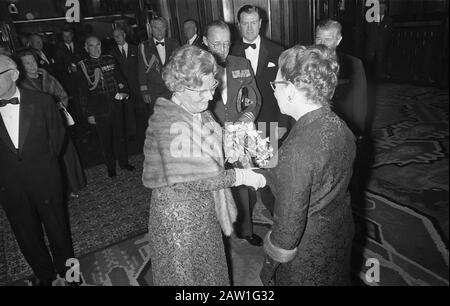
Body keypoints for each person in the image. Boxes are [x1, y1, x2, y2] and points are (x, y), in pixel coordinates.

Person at [142, 45, 266, 285]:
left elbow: (211, 137)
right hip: (181, 221)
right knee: (189, 278)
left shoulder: (198, 109)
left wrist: (230, 144)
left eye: (213, 87)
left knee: (210, 271)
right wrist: (241, 176)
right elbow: (198, 177)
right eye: (203, 91)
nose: (211, 96)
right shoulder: (170, 123)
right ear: (179, 87)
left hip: (204, 210)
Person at [258, 45, 356, 286]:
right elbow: (316, 180)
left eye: (276, 85)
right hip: (338, 233)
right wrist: (263, 173)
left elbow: (286, 236)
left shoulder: (298, 149)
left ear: (290, 90)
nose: (274, 92)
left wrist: (270, 266)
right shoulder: (340, 126)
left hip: (307, 253)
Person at [0, 54, 76, 286]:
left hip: (45, 177)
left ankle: (71, 275)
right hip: (9, 185)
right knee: (26, 235)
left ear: (13, 75)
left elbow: (58, 138)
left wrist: (43, 165)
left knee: (59, 231)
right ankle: (45, 275)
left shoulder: (43, 101)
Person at [203, 20, 263, 246]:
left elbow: (253, 97)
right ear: (206, 42)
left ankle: (246, 229)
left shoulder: (241, 63)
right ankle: (218, 231)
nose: (222, 49)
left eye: (226, 44)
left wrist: (248, 115)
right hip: (211, 136)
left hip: (239, 133)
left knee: (243, 182)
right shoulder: (197, 68)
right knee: (215, 183)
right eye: (216, 44)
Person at [231, 5, 289, 216]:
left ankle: (276, 215)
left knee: (270, 170)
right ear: (238, 25)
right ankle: (245, 222)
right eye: (244, 23)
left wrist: (282, 123)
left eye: (253, 22)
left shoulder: (277, 50)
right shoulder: (230, 51)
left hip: (269, 121)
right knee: (242, 172)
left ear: (260, 23)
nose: (249, 28)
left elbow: (283, 88)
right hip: (239, 123)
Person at [17, 49, 87, 198]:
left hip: (57, 123)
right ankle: (59, 190)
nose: (32, 66)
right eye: (27, 63)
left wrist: (57, 110)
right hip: (39, 129)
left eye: (33, 62)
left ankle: (73, 186)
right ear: (21, 67)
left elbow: (63, 95)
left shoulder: (47, 77)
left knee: (66, 156)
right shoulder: (21, 85)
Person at [78, 36, 135, 178]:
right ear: (86, 48)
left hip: (115, 103)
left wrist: (124, 92)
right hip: (98, 108)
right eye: (92, 46)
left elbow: (121, 79)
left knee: (120, 136)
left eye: (98, 45)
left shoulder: (110, 59)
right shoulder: (83, 66)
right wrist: (88, 113)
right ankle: (111, 167)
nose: (96, 48)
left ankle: (123, 163)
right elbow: (83, 92)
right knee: (105, 140)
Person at [110, 28, 146, 149]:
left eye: (119, 35)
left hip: (137, 86)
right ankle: (132, 137)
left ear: (124, 35)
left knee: (141, 111)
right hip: (123, 88)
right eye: (115, 37)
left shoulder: (136, 48)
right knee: (128, 112)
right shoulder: (112, 52)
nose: (117, 38)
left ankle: (144, 134)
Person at [138, 17, 180, 114]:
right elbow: (141, 71)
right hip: (154, 91)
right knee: (158, 122)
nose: (159, 30)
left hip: (172, 90)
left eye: (162, 27)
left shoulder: (174, 43)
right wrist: (144, 91)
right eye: (156, 28)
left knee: (175, 119)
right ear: (151, 29)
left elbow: (180, 67)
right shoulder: (144, 46)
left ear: (166, 29)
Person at [55, 27, 88, 137]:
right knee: (76, 105)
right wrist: (68, 68)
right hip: (69, 82)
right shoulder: (58, 49)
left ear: (72, 35)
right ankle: (80, 127)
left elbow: (85, 59)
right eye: (64, 36)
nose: (67, 38)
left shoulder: (80, 46)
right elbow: (58, 67)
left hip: (82, 80)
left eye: (69, 35)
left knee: (85, 101)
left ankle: (88, 124)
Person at [365, 1, 392, 80]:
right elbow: (367, 32)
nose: (381, 9)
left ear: (385, 9)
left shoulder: (389, 20)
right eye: (380, 8)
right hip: (371, 46)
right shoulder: (371, 19)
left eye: (383, 8)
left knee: (380, 65)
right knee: (369, 64)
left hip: (382, 47)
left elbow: (389, 35)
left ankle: (378, 81)